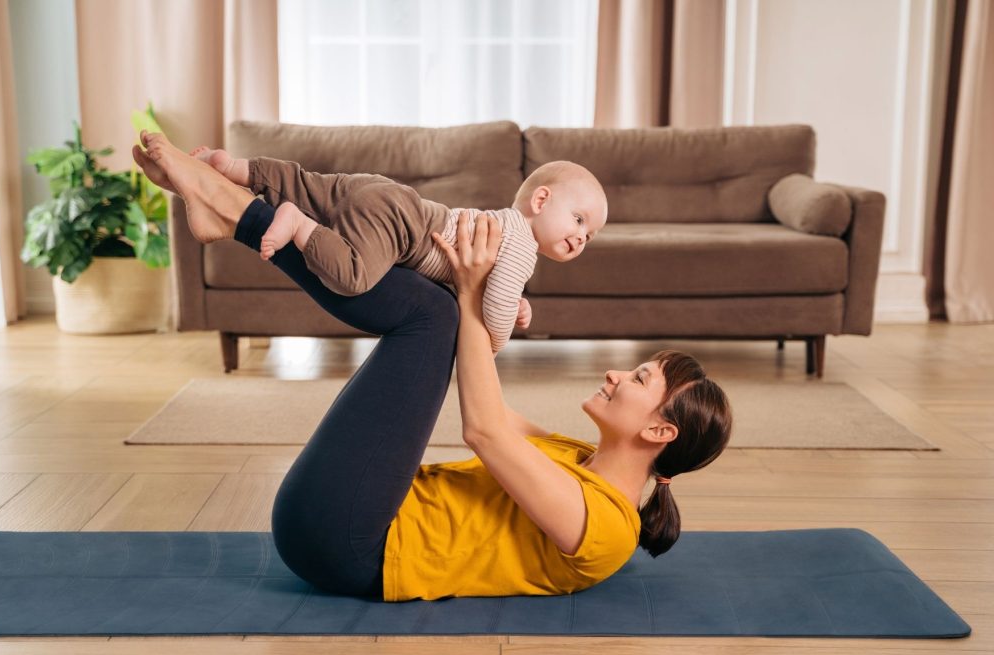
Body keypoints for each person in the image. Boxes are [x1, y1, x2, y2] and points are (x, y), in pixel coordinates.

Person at [131, 131, 732, 602]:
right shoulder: (576, 458)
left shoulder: (605, 529)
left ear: (660, 431)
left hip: (351, 545)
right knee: (434, 309)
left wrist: (475, 295)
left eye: (638, 380)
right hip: (353, 512)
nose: (615, 375)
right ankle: (235, 206)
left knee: (439, 316)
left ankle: (235, 205)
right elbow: (491, 405)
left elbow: (484, 429)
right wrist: (475, 290)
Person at [150, 132, 607, 354]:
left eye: (589, 234)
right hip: (400, 226)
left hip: (384, 192)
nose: (581, 236)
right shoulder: (522, 248)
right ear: (541, 199)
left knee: (308, 184)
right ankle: (297, 224)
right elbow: (494, 332)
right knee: (352, 276)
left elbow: (492, 288)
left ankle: (231, 168)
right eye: (579, 219)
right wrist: (508, 320)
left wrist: (515, 302)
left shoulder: (503, 228)